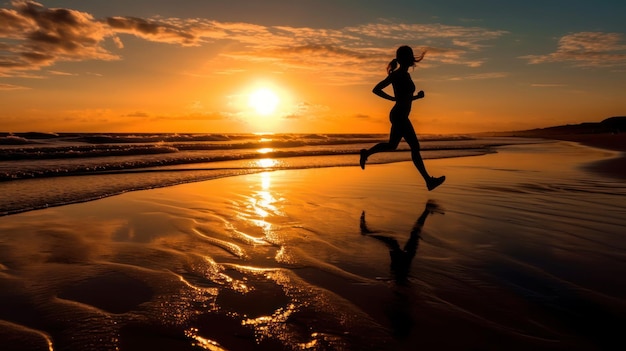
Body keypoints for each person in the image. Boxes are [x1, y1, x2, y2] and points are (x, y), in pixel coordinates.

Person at [360, 46, 445, 191]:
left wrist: (417, 97)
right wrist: (392, 98)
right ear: (402, 59)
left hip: (401, 115)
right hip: (399, 115)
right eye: (408, 56)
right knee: (415, 147)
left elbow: (405, 98)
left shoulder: (406, 75)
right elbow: (376, 89)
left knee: (392, 145)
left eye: (410, 55)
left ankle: (366, 153)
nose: (411, 58)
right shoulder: (397, 75)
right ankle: (428, 181)